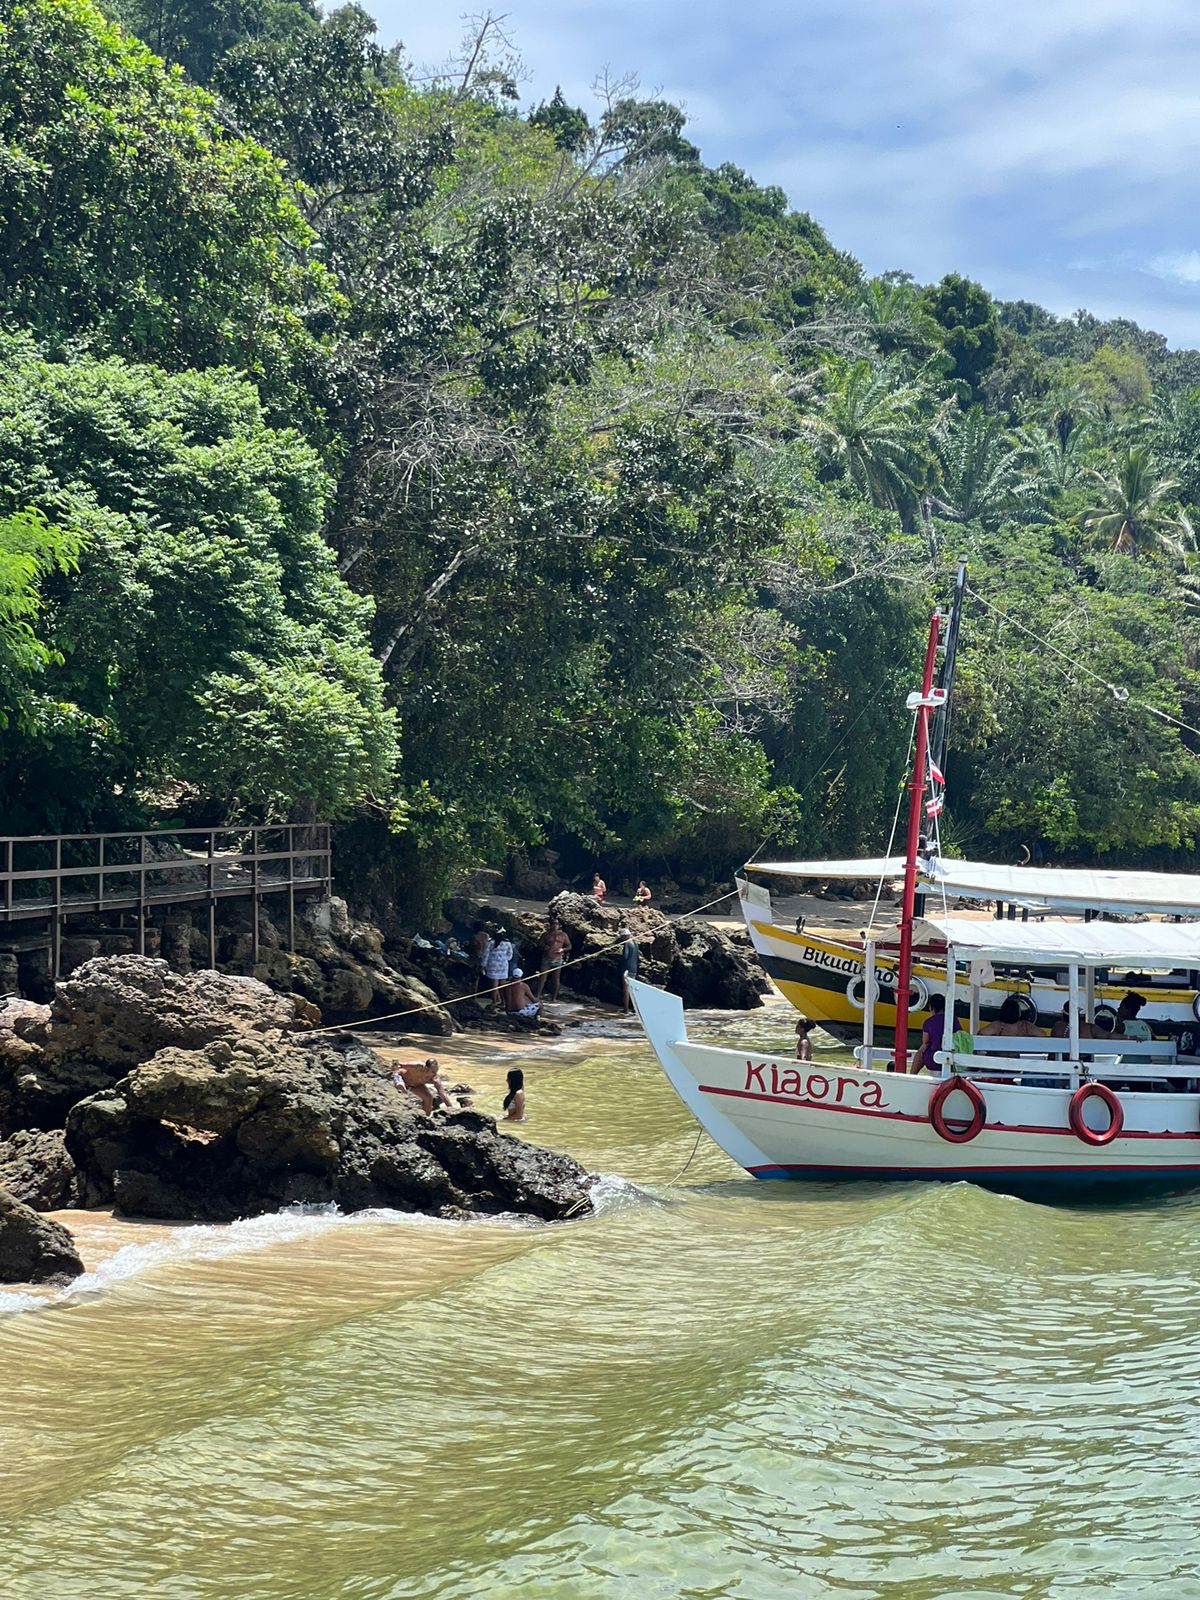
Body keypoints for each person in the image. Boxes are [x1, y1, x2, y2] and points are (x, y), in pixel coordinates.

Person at [535, 917, 571, 1000]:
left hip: (558, 959)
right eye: (553, 924)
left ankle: (554, 997)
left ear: (559, 925)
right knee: (542, 978)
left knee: (556, 979)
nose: (555, 926)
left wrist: (563, 949)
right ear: (550, 925)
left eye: (557, 924)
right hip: (546, 958)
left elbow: (569, 946)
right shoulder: (546, 934)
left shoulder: (563, 935)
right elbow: (539, 945)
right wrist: (545, 947)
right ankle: (537, 996)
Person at [915, 993, 948, 1073]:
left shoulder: (929, 1022)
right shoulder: (954, 1020)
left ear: (931, 1007)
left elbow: (926, 1042)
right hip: (953, 1059)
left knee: (921, 1050)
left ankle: (913, 1074)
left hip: (935, 1060)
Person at [484, 926, 513, 1011]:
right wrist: (504, 959)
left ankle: (494, 1001)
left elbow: (486, 955)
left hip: (492, 965)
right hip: (503, 966)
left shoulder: (490, 942)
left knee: (494, 985)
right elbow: (510, 955)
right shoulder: (507, 943)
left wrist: (483, 964)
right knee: (502, 985)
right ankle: (503, 1002)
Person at [619, 925, 639, 1013]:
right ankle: (635, 1009)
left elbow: (625, 956)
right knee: (633, 990)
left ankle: (626, 1009)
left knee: (626, 989)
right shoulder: (635, 943)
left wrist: (619, 958)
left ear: (624, 936)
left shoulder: (627, 943)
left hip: (627, 968)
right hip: (634, 968)